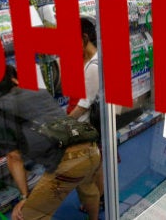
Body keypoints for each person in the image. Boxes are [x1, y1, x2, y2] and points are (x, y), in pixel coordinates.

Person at [0, 64, 101, 220]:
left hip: (68, 163)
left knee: (25, 216)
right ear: (15, 79)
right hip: (92, 149)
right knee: (88, 187)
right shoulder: (38, 92)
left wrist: (25, 197)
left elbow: (14, 157)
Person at [66, 16, 105, 212]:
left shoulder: (94, 66)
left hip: (85, 126)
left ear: (84, 37)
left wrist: (65, 122)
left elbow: (84, 104)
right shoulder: (91, 60)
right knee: (96, 165)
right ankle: (100, 198)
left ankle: (95, 201)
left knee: (89, 169)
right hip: (90, 125)